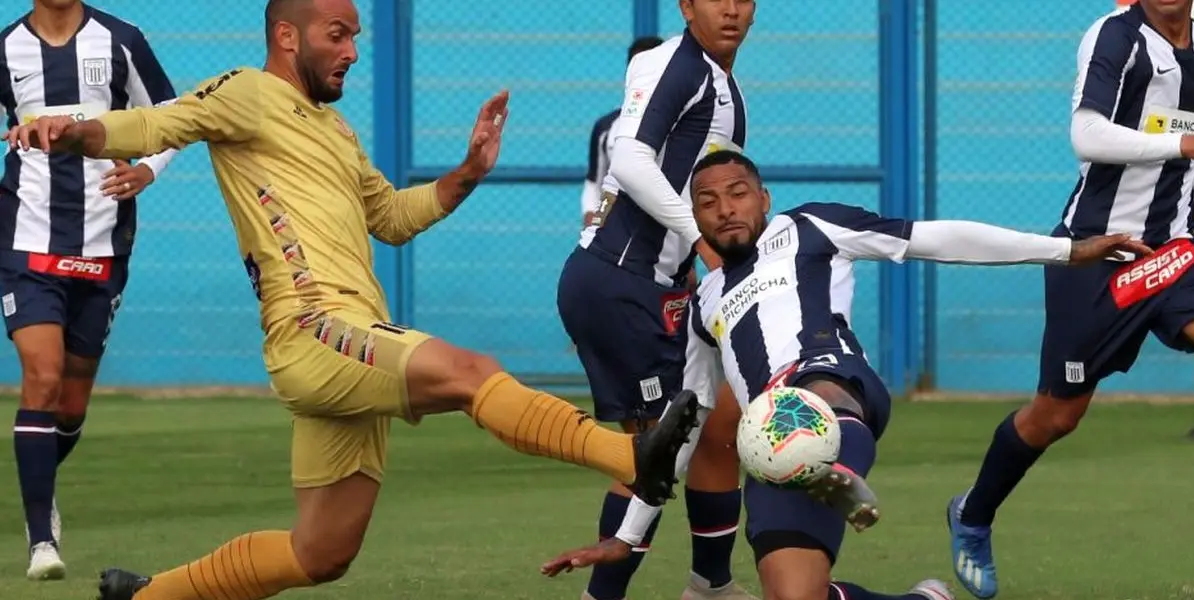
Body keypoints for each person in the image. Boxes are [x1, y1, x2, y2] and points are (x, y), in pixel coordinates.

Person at [3, 1, 702, 598]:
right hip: (313, 328)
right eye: (338, 33)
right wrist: (75, 133)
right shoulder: (246, 91)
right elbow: (154, 125)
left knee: (321, 554)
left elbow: (391, 217)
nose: (352, 50)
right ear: (288, 37)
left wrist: (467, 172)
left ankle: (149, 595)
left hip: (349, 338)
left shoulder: (334, 131)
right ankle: (630, 460)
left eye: (358, 35)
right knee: (470, 373)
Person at [541, 150, 1148, 600]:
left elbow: (935, 238)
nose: (726, 208)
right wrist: (627, 537)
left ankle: (821, 458)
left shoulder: (811, 229)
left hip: (834, 391)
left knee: (804, 397)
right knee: (795, 595)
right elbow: (683, 434)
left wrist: (1067, 250)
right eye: (708, 201)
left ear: (764, 198)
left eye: (738, 192)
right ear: (693, 219)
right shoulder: (703, 309)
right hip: (769, 443)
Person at [945, 1, 1194, 597]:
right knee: (1057, 415)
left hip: (1178, 250)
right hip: (1099, 254)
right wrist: (1182, 148)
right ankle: (974, 514)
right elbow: (1085, 135)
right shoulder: (1115, 37)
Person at [556, 1, 756, 598]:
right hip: (621, 282)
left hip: (648, 283)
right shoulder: (675, 62)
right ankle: (605, 595)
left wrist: (691, 260)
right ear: (686, 7)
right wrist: (698, 241)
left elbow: (695, 179)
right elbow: (630, 160)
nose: (729, 7)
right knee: (656, 449)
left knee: (717, 423)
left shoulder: (721, 82)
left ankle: (710, 584)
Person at [0, 0, 178, 581]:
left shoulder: (121, 39)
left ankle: (42, 486)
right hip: (26, 240)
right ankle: (41, 541)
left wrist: (148, 169)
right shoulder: (6, 47)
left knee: (71, 404)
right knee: (42, 377)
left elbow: (175, 114)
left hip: (103, 242)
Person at [578, 35, 663, 228]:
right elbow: (595, 184)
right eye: (637, 68)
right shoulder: (606, 128)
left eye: (653, 68)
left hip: (672, 241)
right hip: (617, 239)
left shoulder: (688, 125)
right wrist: (593, 221)